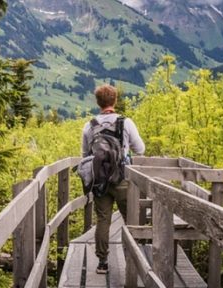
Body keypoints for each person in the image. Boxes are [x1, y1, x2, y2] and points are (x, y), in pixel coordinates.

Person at [82, 84, 145, 274]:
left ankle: (102, 262)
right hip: (122, 178)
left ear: (98, 102)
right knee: (130, 219)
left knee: (103, 220)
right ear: (114, 100)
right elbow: (140, 149)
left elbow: (85, 155)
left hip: (100, 180)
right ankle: (132, 260)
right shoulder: (126, 123)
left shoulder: (89, 126)